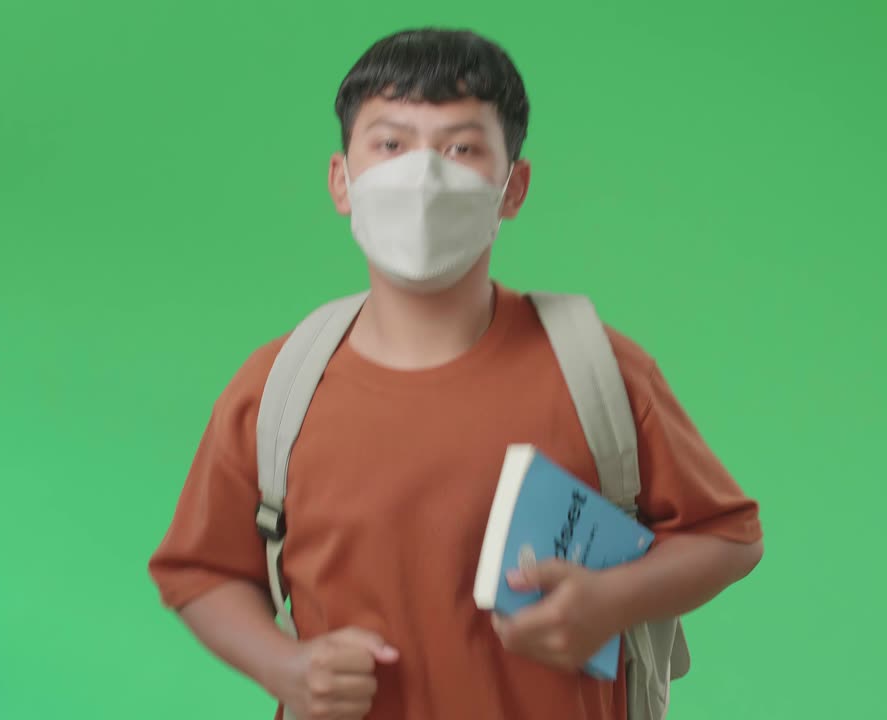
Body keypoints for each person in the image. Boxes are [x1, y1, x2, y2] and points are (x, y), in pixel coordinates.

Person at [148, 27, 764, 720]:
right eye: (390, 143)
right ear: (342, 181)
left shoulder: (599, 373)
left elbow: (727, 535)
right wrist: (283, 665)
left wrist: (612, 602)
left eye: (461, 148)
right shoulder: (277, 390)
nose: (423, 176)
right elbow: (201, 569)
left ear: (513, 188)